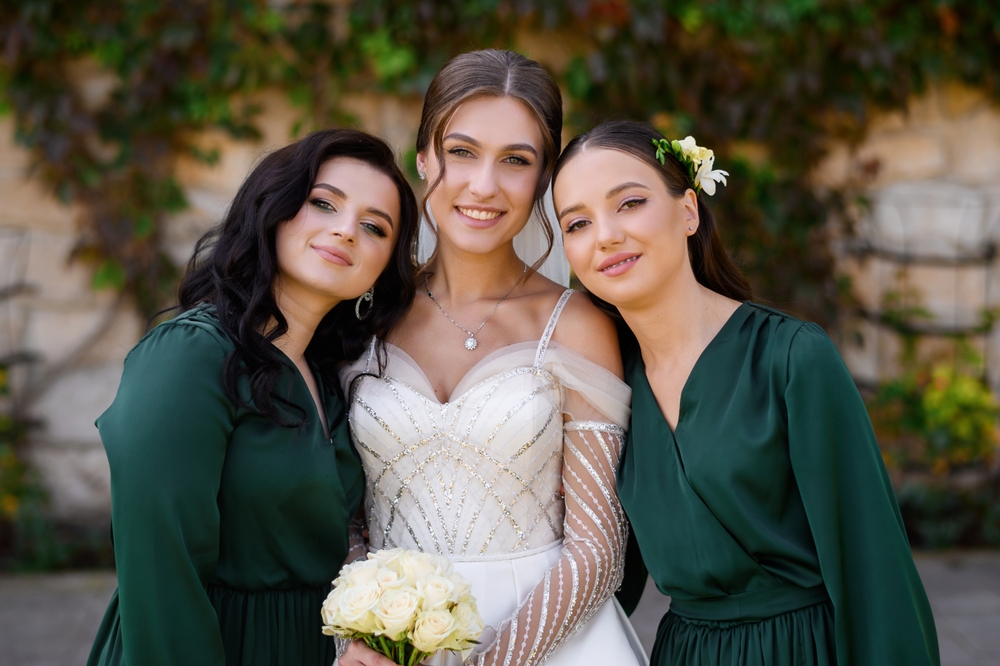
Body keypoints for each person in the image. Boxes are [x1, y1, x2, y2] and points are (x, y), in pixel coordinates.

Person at [551, 119, 940, 666]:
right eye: (578, 223)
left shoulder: (791, 358)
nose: (605, 235)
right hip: (685, 653)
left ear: (689, 210)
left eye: (630, 203)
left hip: (801, 651)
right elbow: (608, 573)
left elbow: (873, 572)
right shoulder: (608, 388)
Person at [339, 50, 647, 666]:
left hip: (552, 642)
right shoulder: (363, 318)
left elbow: (598, 548)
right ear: (425, 158)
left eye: (516, 161)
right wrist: (358, 633)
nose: (484, 185)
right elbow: (343, 514)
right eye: (461, 152)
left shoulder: (575, 324)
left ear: (542, 180)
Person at [86, 128, 419, 666]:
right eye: (323, 203)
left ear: (381, 273)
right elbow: (160, 566)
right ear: (275, 209)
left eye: (374, 227)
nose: (345, 231)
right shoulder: (190, 356)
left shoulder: (331, 382)